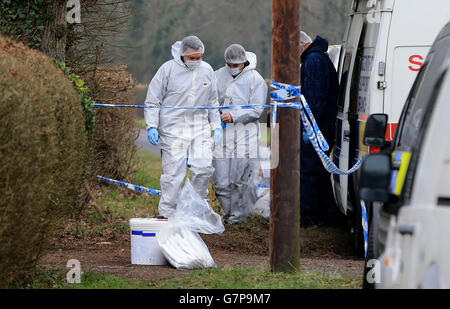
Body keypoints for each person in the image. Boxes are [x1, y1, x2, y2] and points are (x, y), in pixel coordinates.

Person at [144, 35, 223, 218]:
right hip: (173, 128)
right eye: (192, 58)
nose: (196, 61)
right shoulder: (168, 69)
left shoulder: (207, 70)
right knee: (173, 174)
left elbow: (213, 101)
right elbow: (153, 100)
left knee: (204, 168)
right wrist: (151, 125)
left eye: (199, 57)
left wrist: (216, 126)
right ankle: (167, 214)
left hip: (200, 127)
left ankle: (194, 210)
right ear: (182, 55)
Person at [213, 44, 268, 224]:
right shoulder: (217, 75)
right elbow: (210, 100)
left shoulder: (255, 79)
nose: (232, 68)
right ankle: (229, 214)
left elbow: (257, 109)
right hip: (222, 133)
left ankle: (237, 218)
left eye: (236, 64)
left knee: (238, 179)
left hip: (245, 134)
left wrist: (234, 116)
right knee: (221, 181)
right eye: (229, 64)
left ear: (244, 62)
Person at [299, 31, 339, 228]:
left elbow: (313, 99)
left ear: (301, 45)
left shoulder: (313, 61)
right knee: (320, 173)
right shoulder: (318, 58)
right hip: (321, 126)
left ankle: (310, 216)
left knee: (309, 172)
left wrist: (308, 126)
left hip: (316, 128)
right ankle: (325, 215)